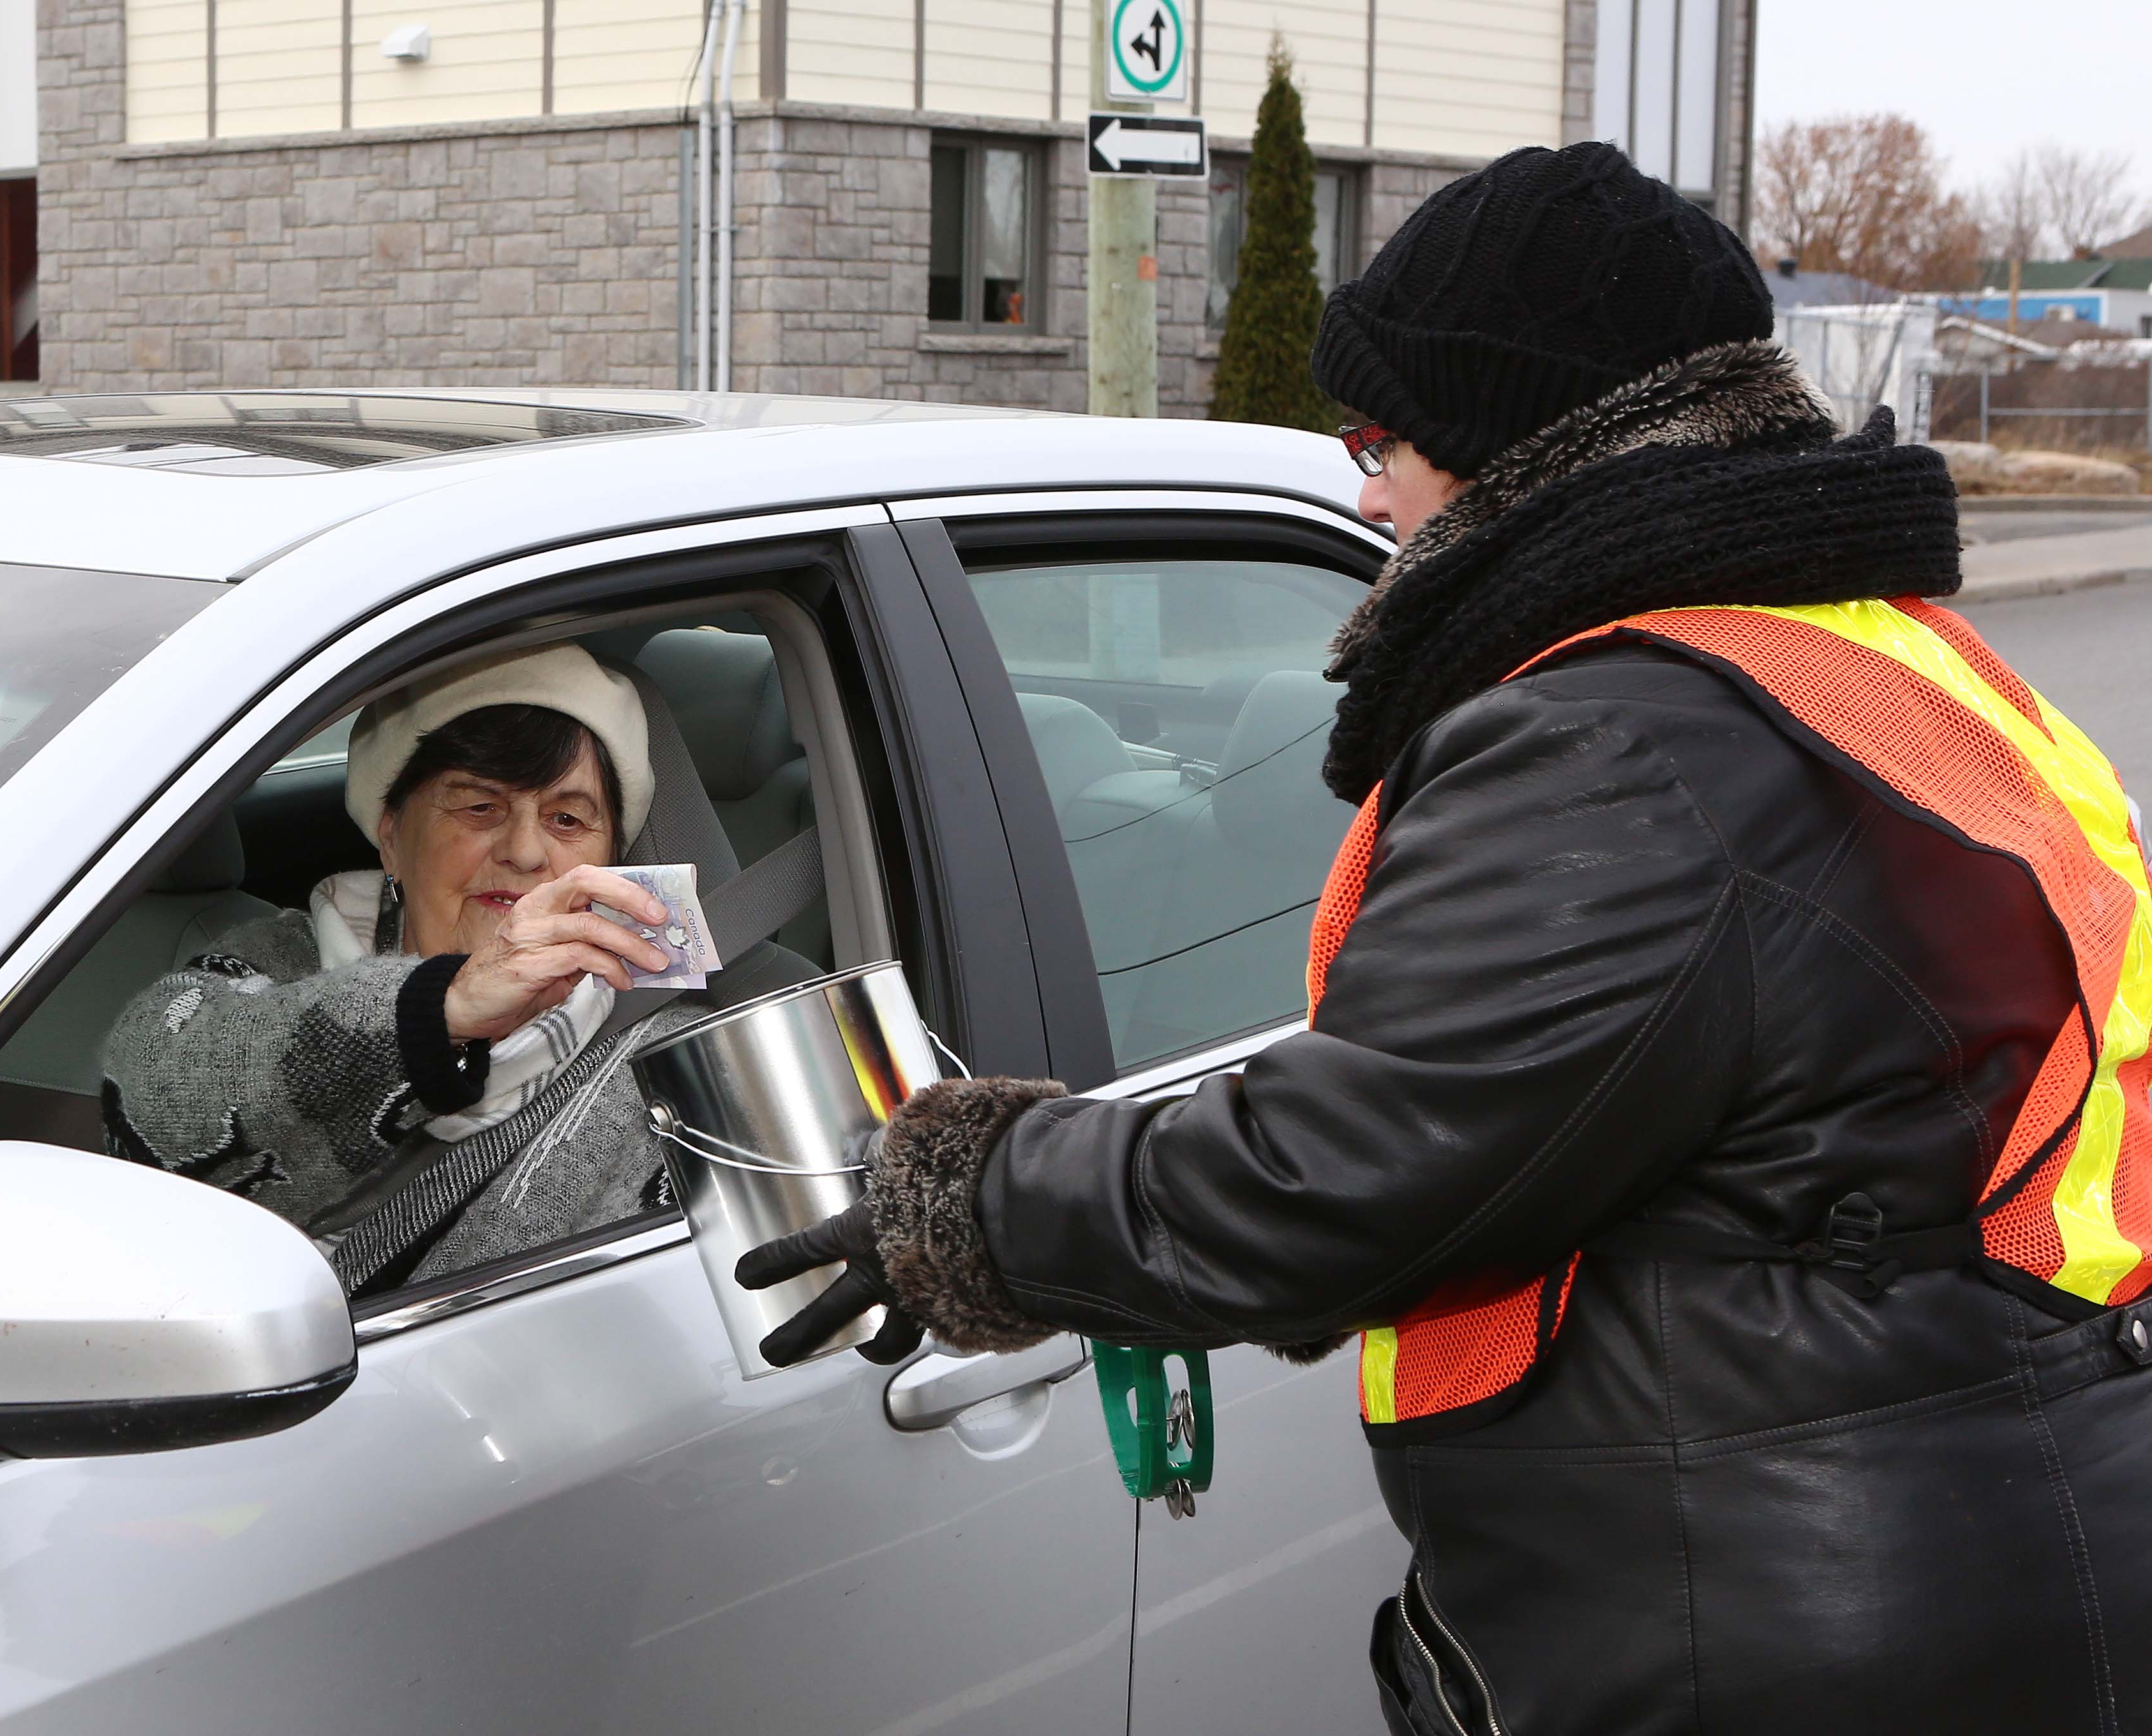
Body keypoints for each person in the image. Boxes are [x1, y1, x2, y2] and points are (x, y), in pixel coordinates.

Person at [740, 142, 2152, 1734]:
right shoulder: (1878, 658)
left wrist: (982, 1195)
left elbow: (1349, 1172)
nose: (1361, 492)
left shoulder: (1616, 746)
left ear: (1515, 441)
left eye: (1379, 438)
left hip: (1772, 1628)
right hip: (1978, 1523)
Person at [104, 642, 703, 1288]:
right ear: (391, 833)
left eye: (566, 818)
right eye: (480, 806)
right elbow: (144, 1107)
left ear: (610, 858)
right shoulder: (277, 959)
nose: (527, 850)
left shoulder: (672, 1058)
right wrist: (435, 1012)